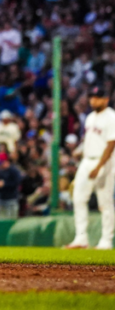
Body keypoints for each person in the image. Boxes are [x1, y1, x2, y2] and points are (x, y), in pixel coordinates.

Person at [65, 84, 115, 249]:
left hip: (105, 162)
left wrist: (99, 166)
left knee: (104, 203)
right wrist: (79, 151)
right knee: (78, 198)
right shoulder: (90, 117)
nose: (93, 100)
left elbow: (111, 144)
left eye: (97, 98)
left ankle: (106, 240)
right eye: (92, 97)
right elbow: (89, 139)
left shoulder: (111, 117)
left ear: (106, 99)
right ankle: (81, 238)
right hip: (87, 160)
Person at [0, 152, 22, 219]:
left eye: (1, 163)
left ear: (6, 161)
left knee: (11, 219)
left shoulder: (14, 171)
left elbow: (17, 182)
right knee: (1, 219)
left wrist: (5, 184)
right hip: (1, 199)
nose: (0, 165)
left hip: (11, 199)